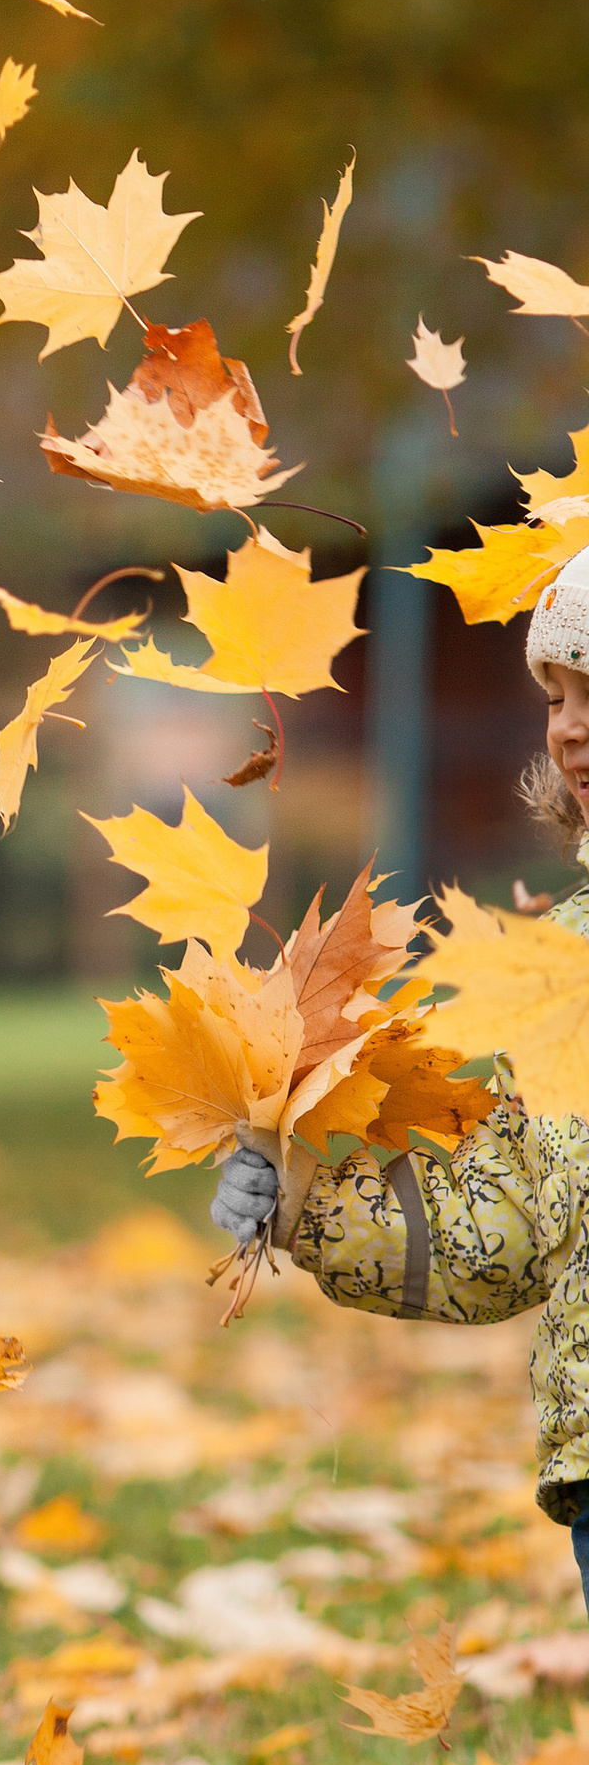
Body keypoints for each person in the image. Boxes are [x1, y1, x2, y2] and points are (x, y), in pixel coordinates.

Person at [210, 548, 589, 1620]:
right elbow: (512, 1222)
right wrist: (303, 1211)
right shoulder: (562, 960)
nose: (567, 726)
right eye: (557, 697)